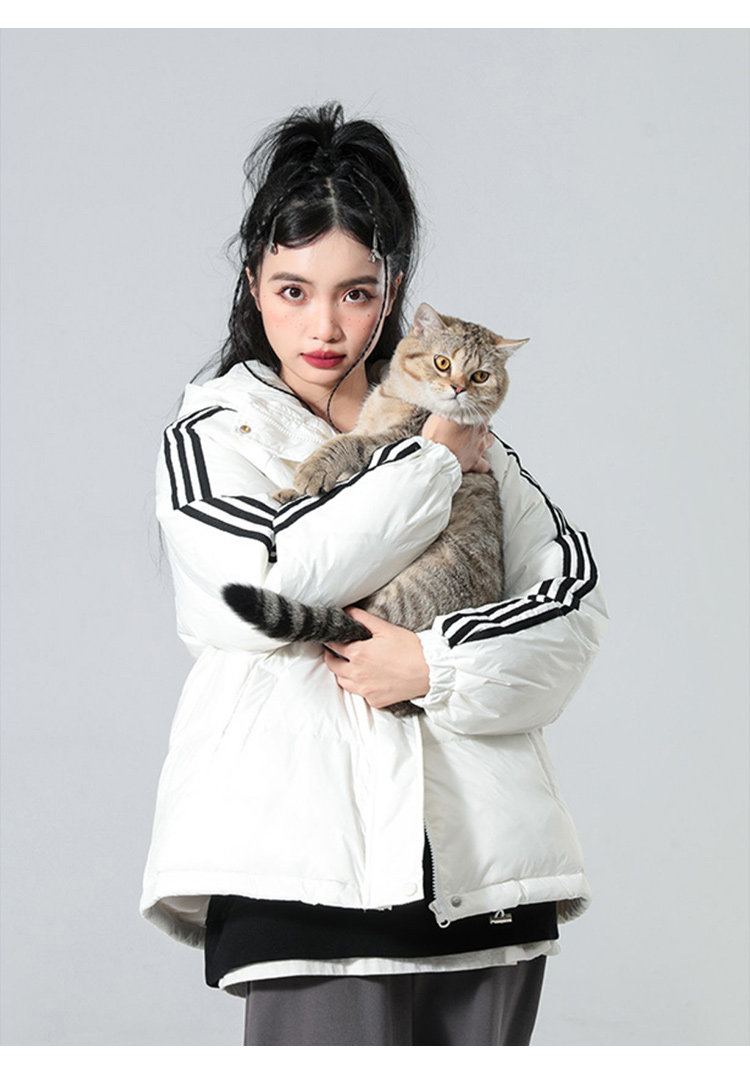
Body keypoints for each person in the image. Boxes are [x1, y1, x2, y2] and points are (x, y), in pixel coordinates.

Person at [140, 101, 609, 1046]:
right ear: (253, 283)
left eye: (355, 293)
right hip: (304, 872)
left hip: (483, 867)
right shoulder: (215, 434)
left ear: (390, 292)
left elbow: (570, 609)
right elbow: (264, 585)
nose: (324, 324)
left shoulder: (465, 422)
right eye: (293, 289)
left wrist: (436, 666)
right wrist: (431, 462)